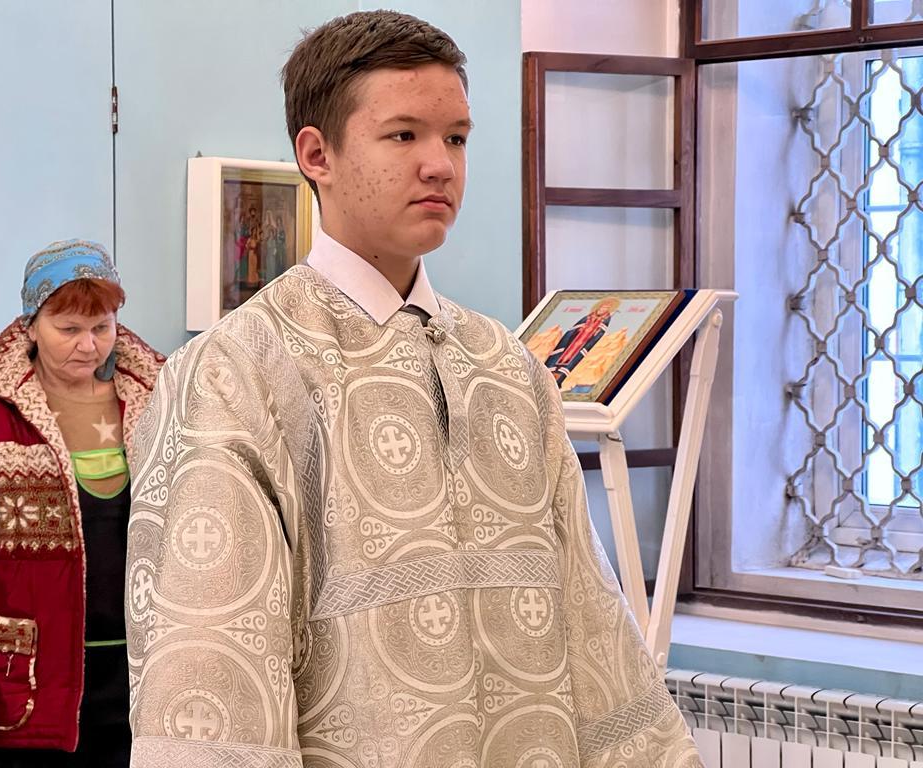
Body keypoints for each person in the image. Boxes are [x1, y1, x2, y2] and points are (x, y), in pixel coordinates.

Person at [126, 11, 700, 768]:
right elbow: (213, 668)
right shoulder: (239, 372)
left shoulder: (506, 366)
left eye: (456, 138)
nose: (440, 166)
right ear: (317, 154)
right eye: (404, 135)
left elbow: (590, 616)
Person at [0, 240, 165, 767]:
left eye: (102, 327)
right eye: (68, 329)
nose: (89, 346)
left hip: (141, 686)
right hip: (21, 693)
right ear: (30, 325)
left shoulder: (160, 399)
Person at [545, 297, 621, 386]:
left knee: (571, 361)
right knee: (558, 357)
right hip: (573, 341)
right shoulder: (588, 317)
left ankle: (558, 380)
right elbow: (575, 328)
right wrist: (580, 329)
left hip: (583, 344)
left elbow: (600, 333)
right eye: (602, 307)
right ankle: (547, 377)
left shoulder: (606, 319)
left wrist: (593, 336)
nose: (602, 310)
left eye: (606, 308)